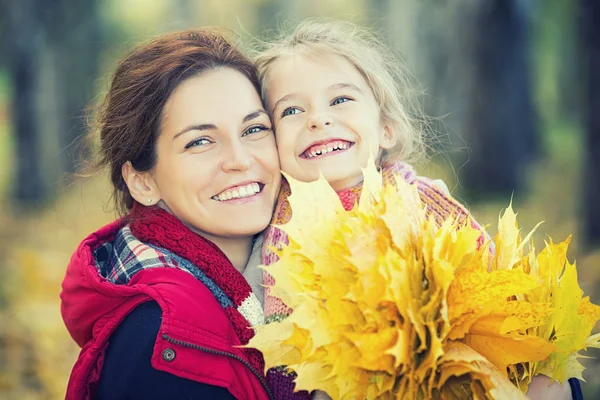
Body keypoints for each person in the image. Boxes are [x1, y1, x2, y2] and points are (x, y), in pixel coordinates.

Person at [255, 18, 580, 400]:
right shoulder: (276, 234)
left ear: (387, 129)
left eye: (341, 100)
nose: (318, 119)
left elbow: (499, 292)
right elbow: (283, 353)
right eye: (291, 111)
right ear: (270, 145)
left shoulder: (426, 202)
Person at [60, 29, 281, 400]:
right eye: (200, 141)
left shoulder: (299, 276)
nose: (241, 161)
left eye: (254, 128)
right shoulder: (161, 339)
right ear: (143, 181)